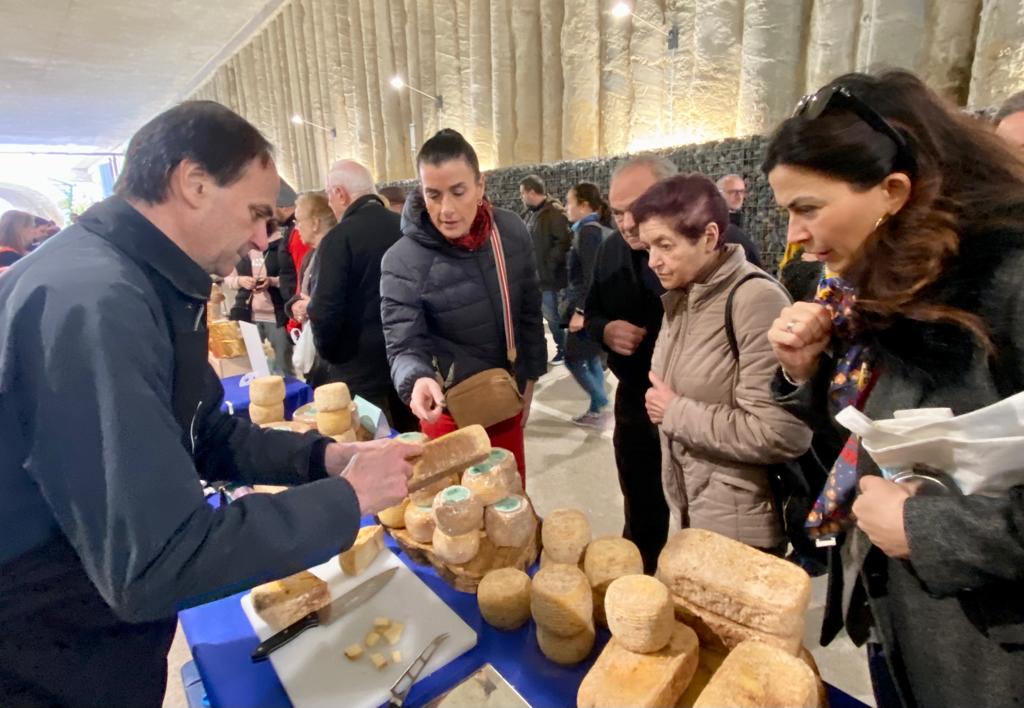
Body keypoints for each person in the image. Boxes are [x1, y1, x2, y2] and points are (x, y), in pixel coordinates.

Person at [0, 101, 420, 706]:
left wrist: (324, 459)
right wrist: (348, 500)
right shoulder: (95, 303)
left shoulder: (144, 281)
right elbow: (154, 564)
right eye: (254, 213)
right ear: (193, 183)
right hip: (48, 653)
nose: (261, 237)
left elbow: (203, 433)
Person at [763, 70, 1024, 708]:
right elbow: (856, 447)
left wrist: (926, 528)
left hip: (986, 655)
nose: (793, 237)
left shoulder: (1009, 286)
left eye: (807, 208)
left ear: (892, 190)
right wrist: (806, 373)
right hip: (898, 617)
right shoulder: (879, 286)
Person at [633, 174, 811, 552]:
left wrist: (675, 412)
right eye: (648, 247)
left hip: (742, 532)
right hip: (693, 512)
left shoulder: (754, 300)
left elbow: (782, 434)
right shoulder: (684, 295)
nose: (654, 261)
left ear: (710, 237)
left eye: (665, 245)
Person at [381, 128, 546, 480]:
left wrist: (529, 382)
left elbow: (529, 313)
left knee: (508, 503)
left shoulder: (510, 232)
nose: (447, 209)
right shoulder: (402, 260)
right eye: (434, 195)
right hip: (447, 410)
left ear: (480, 186)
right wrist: (416, 379)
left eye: (458, 192)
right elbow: (403, 343)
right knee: (454, 515)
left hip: (504, 400)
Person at [583, 155, 675, 572]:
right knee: (641, 507)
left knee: (712, 524)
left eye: (636, 207)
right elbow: (591, 313)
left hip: (706, 408)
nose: (625, 222)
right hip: (636, 400)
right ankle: (639, 589)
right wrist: (604, 330)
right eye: (617, 211)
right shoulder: (609, 251)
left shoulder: (717, 247)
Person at [309, 160, 418, 432]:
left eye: (329, 195)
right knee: (415, 448)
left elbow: (324, 310)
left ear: (340, 194)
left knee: (377, 448)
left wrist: (332, 356)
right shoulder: (407, 229)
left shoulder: (338, 239)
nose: (330, 203)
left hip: (360, 371)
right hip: (410, 363)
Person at [563, 182, 613, 427]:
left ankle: (601, 401)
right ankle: (597, 410)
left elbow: (590, 275)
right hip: (595, 306)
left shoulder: (588, 232)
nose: (566, 208)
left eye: (569, 202)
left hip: (587, 308)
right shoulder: (593, 229)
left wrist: (580, 311)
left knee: (572, 358)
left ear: (583, 205)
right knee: (591, 357)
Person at [224, 221, 292, 375]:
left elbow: (291, 278)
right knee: (253, 367)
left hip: (277, 316)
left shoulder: (280, 245)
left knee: (283, 368)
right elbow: (228, 278)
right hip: (248, 315)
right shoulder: (239, 247)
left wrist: (271, 281)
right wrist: (240, 281)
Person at [520, 174, 572, 364]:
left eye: (522, 193)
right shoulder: (531, 213)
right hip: (536, 276)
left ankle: (565, 350)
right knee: (549, 315)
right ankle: (564, 348)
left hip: (549, 277)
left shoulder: (554, 212)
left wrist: (549, 264)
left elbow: (564, 240)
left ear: (531, 192)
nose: (521, 198)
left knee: (553, 315)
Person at [285, 191, 336, 383]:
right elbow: (300, 294)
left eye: (299, 221)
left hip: (333, 357)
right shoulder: (310, 256)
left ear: (315, 223)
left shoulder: (337, 254)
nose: (296, 228)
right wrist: (294, 307)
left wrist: (312, 306)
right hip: (313, 350)